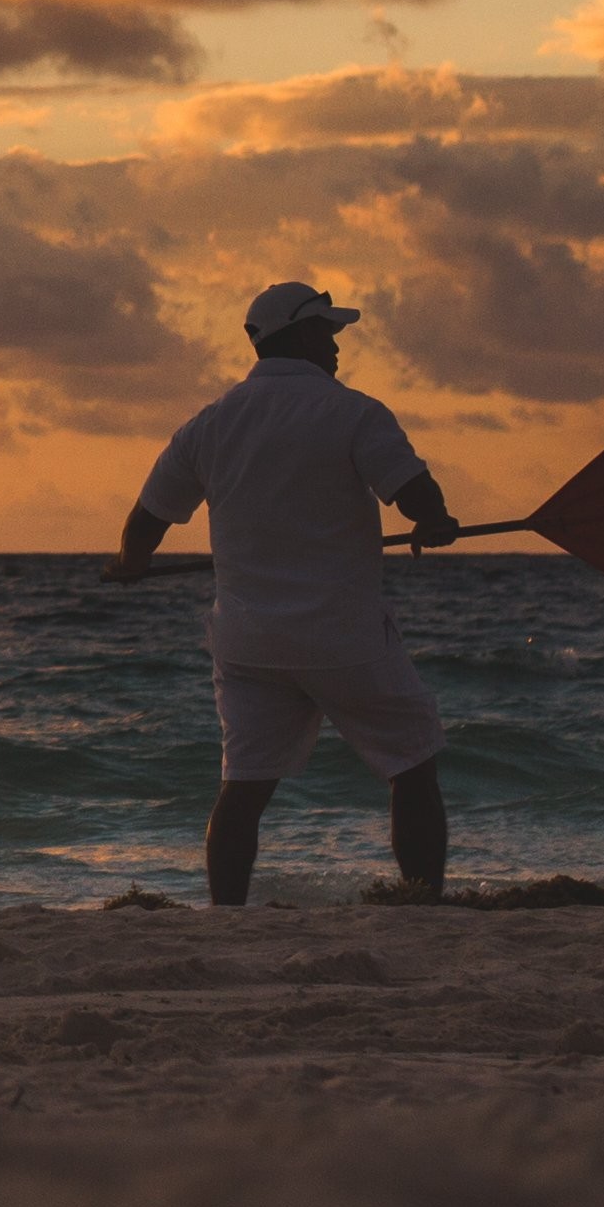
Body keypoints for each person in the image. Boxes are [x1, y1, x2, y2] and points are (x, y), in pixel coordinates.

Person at [112, 279, 460, 904]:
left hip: (249, 645)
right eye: (328, 332)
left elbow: (147, 523)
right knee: (411, 766)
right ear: (300, 334)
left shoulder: (208, 425)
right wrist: (434, 525)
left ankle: (226, 914)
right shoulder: (355, 412)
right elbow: (414, 494)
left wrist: (130, 564)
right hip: (344, 637)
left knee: (242, 788)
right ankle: (423, 905)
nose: (335, 348)